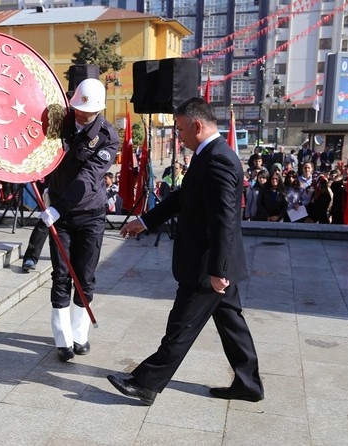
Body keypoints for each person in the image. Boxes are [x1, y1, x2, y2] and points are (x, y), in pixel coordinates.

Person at [107, 97, 263, 406]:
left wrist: (220, 269)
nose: (179, 136)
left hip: (207, 265)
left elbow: (224, 220)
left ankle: (146, 383)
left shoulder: (218, 159)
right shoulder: (209, 155)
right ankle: (248, 384)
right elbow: (182, 198)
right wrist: (145, 220)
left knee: (182, 325)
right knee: (232, 323)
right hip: (212, 262)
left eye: (180, 130)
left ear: (197, 125)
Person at [38, 78, 119, 362]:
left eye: (89, 112)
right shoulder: (60, 120)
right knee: (60, 275)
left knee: (84, 277)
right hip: (59, 214)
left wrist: (58, 207)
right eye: (79, 109)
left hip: (89, 214)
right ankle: (62, 337)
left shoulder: (108, 136)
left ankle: (79, 332)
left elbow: (88, 177)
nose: (83, 115)